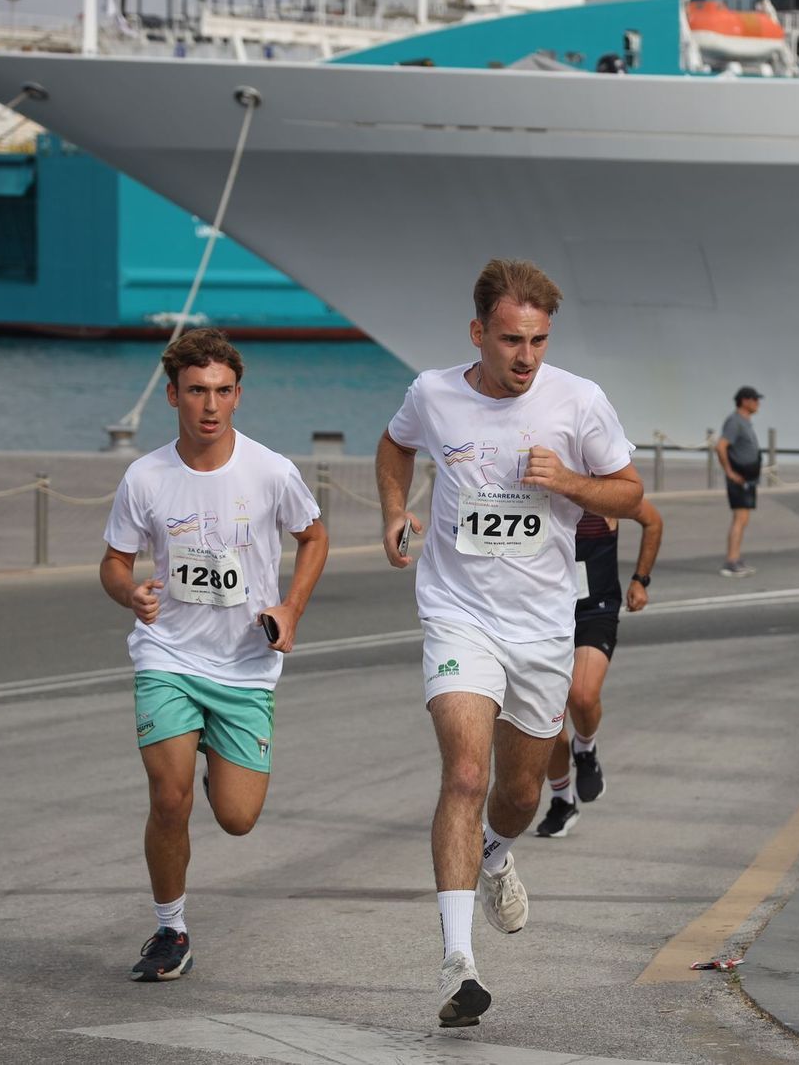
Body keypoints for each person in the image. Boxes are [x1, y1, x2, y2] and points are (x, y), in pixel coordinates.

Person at [375, 259, 643, 1027]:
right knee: (463, 771)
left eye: (538, 340)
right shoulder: (433, 394)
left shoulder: (578, 401)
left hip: (542, 625)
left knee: (520, 793)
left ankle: (496, 849)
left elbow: (631, 493)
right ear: (478, 333)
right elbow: (394, 447)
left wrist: (571, 483)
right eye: (510, 340)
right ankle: (458, 961)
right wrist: (395, 511)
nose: (526, 357)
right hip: (459, 613)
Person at [99, 328, 329, 982]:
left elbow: (314, 538)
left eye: (223, 391)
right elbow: (114, 562)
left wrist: (290, 610)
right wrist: (128, 592)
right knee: (169, 798)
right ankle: (170, 929)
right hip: (167, 655)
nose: (210, 405)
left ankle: (214, 755)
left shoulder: (271, 472)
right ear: (172, 394)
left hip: (245, 667)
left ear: (238, 395)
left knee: (237, 816)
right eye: (197, 390)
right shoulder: (145, 476)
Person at [534, 500, 664, 838]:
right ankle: (563, 800)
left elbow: (653, 522)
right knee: (548, 716)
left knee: (581, 694)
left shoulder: (602, 494)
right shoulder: (539, 493)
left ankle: (586, 748)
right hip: (543, 614)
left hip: (596, 609)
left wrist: (640, 580)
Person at [715, 385, 762, 577]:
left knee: (744, 519)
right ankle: (731, 561)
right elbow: (720, 446)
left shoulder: (746, 421)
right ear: (745, 400)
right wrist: (730, 472)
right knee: (739, 518)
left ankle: (736, 557)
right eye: (755, 399)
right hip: (739, 478)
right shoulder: (734, 421)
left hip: (748, 479)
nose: (758, 404)